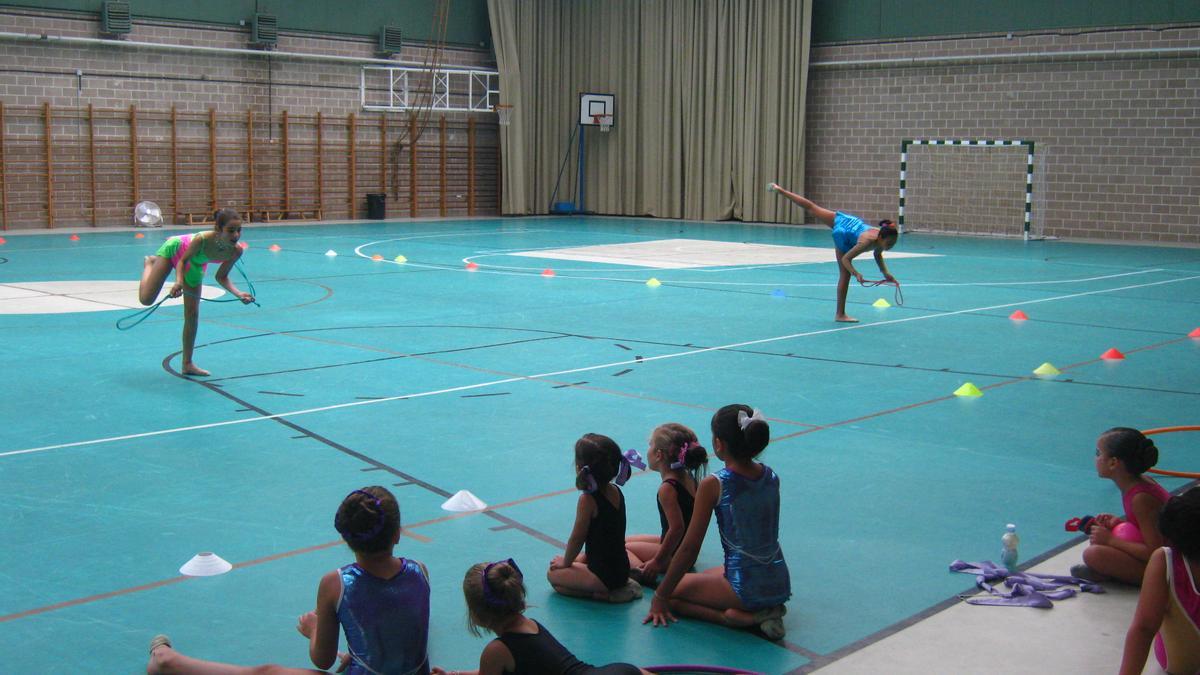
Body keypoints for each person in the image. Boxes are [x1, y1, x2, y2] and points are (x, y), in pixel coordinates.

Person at [147, 486, 431, 675]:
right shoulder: (420, 571)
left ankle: (168, 662)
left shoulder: (337, 583)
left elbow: (323, 659)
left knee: (267, 672)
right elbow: (398, 634)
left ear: (346, 539)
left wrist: (314, 628)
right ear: (397, 534)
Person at [643, 405, 790, 640]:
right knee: (705, 576)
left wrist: (660, 597)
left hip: (745, 586)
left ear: (719, 444)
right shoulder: (770, 475)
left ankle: (740, 618)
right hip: (779, 580)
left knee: (672, 595)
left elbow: (689, 549)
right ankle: (766, 608)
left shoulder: (714, 484)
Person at [432, 559, 650, 675]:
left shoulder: (496, 651)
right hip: (619, 670)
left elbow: (489, 670)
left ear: (477, 615)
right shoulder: (531, 625)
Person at [138, 208, 254, 376]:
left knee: (192, 314)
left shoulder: (236, 250)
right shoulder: (202, 239)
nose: (236, 235)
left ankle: (187, 364)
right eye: (230, 230)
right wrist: (178, 282)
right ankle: (150, 263)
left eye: (239, 230)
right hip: (177, 251)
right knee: (146, 300)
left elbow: (221, 277)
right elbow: (182, 261)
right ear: (218, 229)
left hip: (196, 263)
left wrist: (238, 294)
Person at [768, 184, 898, 323]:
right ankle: (840, 314)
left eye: (893, 244)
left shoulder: (880, 235)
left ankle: (780, 190)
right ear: (880, 238)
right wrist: (856, 273)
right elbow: (846, 260)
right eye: (889, 244)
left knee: (812, 207)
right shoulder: (865, 242)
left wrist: (885, 272)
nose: (890, 246)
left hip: (846, 221)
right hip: (843, 234)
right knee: (845, 274)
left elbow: (877, 254)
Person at [547, 433, 643, 603]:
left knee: (554, 577)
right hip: (621, 567)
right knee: (575, 561)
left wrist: (566, 563)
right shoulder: (616, 491)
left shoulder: (587, 500)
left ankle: (608, 594)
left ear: (579, 467)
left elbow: (577, 538)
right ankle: (618, 585)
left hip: (603, 575)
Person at [1073, 427, 1171, 585]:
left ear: (1113, 462)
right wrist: (1119, 525)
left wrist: (1111, 540)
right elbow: (1149, 527)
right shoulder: (1137, 484)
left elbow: (1156, 551)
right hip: (1164, 555)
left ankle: (1127, 576)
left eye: (1098, 453)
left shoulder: (1141, 498)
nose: (1095, 458)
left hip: (1169, 566)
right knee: (1100, 543)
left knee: (1093, 554)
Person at [1118, 487, 1200, 675]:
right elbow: (1143, 629)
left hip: (1180, 664)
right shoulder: (1166, 562)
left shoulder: (1165, 560)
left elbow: (1144, 628)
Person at [625, 423, 708, 586]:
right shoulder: (689, 478)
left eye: (650, 445)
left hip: (675, 557)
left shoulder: (668, 488)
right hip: (686, 551)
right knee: (627, 540)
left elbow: (677, 529)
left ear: (658, 455)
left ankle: (643, 573)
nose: (647, 449)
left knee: (621, 548)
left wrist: (657, 560)